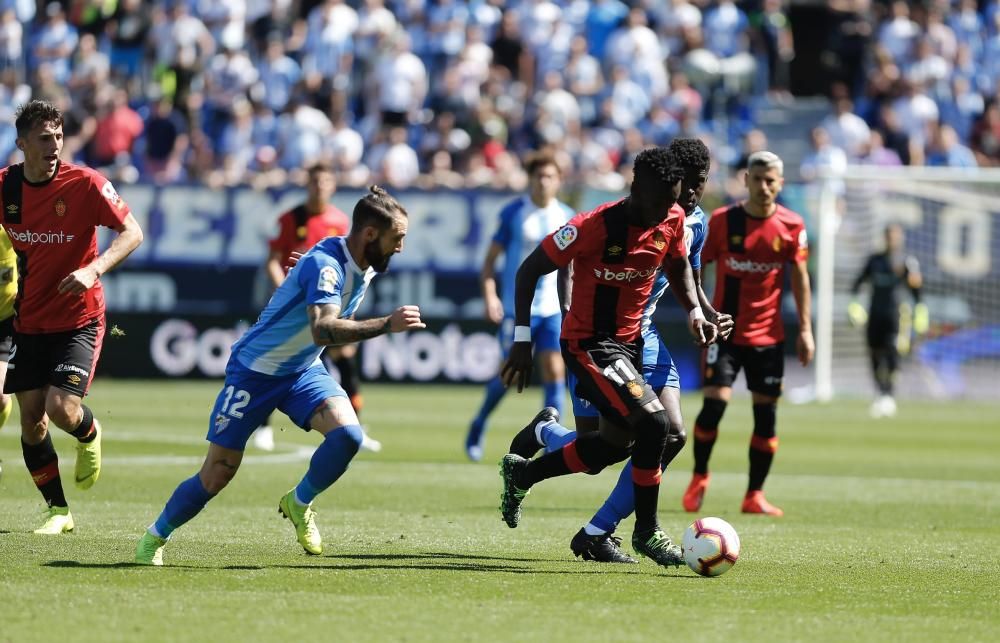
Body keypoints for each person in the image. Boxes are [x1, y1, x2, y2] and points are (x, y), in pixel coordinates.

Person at [135, 186, 423, 566]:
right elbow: (322, 330)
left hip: (302, 369)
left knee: (349, 436)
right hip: (254, 373)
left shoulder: (357, 260)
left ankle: (299, 502)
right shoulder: (327, 266)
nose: (400, 247)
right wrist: (386, 324)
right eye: (396, 238)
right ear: (370, 234)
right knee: (217, 474)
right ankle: (155, 537)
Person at [507, 138, 734, 563]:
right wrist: (522, 339)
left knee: (610, 447)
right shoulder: (594, 224)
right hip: (589, 344)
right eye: (664, 201)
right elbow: (531, 269)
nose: (670, 210)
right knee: (655, 426)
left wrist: (696, 313)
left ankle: (526, 471)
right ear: (638, 189)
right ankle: (646, 531)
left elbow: (681, 267)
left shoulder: (670, 218)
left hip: (629, 345)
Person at [0, 99, 144, 534]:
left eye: (59, 137)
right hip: (28, 321)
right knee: (30, 421)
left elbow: (133, 232)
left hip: (80, 318)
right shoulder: (6, 188)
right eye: (44, 139)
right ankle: (58, 512)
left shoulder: (85, 184)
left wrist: (93, 268)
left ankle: (89, 432)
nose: (54, 146)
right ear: (23, 144)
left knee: (61, 409)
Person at [682, 151, 814, 518]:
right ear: (746, 180)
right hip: (725, 334)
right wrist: (701, 312)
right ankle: (699, 477)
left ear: (780, 184)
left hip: (769, 337)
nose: (764, 187)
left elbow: (800, 278)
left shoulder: (792, 225)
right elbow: (693, 267)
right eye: (757, 179)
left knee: (766, 417)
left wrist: (805, 329)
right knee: (714, 405)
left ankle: (754, 494)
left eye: (771, 180)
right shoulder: (723, 221)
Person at [464, 151, 575, 461]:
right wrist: (490, 296)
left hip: (553, 307)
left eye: (549, 176)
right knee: (509, 374)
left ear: (558, 181)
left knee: (555, 369)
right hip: (519, 308)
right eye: (538, 176)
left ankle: (555, 438)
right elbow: (489, 262)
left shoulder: (566, 215)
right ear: (530, 179)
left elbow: (574, 267)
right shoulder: (514, 212)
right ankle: (479, 423)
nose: (543, 182)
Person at [256, 162, 367, 452]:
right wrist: (283, 289)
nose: (320, 187)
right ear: (308, 184)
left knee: (345, 360)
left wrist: (349, 313)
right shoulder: (292, 218)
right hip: (293, 308)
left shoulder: (341, 222)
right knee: (275, 363)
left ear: (332, 185)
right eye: (315, 182)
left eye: (325, 182)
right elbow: (272, 259)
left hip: (328, 305)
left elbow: (349, 270)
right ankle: (264, 427)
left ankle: (358, 426)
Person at [848, 223, 926, 418]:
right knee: (874, 352)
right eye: (890, 236)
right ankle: (879, 392)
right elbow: (857, 284)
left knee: (892, 352)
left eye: (896, 236)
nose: (892, 239)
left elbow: (916, 291)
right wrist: (855, 306)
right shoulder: (874, 260)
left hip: (897, 315)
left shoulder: (907, 262)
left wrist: (920, 311)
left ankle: (889, 394)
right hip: (875, 314)